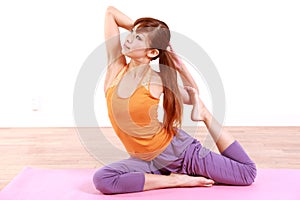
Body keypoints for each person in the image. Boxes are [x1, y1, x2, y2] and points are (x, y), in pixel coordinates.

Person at [93, 6, 256, 194]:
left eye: (138, 38)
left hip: (180, 154)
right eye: (131, 34)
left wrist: (180, 67)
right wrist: (143, 29)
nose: (129, 39)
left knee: (246, 173)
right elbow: (110, 13)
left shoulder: (157, 80)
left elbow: (192, 96)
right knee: (102, 179)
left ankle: (206, 116)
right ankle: (174, 180)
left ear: (152, 52)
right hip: (145, 162)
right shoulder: (116, 67)